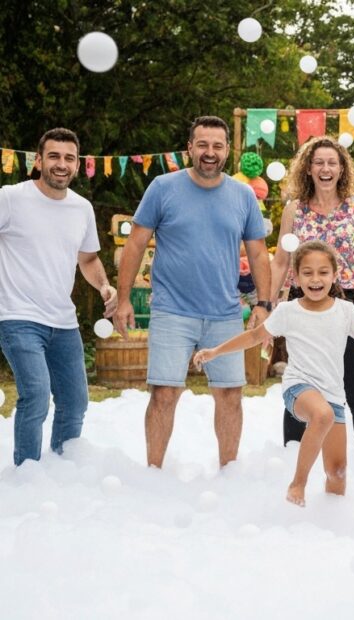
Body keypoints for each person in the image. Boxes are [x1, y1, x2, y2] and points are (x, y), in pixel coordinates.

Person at [114, 115, 271, 468]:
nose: (209, 152)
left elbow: (259, 252)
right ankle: (153, 471)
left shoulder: (243, 195)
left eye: (217, 146)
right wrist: (123, 299)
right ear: (189, 148)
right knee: (164, 393)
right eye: (202, 145)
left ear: (227, 151)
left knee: (230, 394)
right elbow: (136, 243)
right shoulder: (162, 187)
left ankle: (228, 472)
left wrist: (263, 304)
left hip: (226, 313)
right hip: (172, 310)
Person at [194, 241, 354, 506]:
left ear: (334, 276)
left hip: (333, 396)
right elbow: (254, 336)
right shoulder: (288, 311)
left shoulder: (345, 310)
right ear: (296, 278)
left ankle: (329, 522)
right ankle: (298, 484)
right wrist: (215, 351)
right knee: (322, 415)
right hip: (299, 388)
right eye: (307, 273)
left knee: (338, 473)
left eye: (323, 272)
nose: (315, 279)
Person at [0, 128, 117, 464]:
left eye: (69, 158)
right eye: (53, 156)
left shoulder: (81, 208)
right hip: (17, 316)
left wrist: (104, 286)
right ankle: (28, 474)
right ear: (38, 161)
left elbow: (89, 258)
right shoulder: (11, 198)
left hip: (63, 322)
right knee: (35, 395)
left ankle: (62, 471)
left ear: (78, 165)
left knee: (75, 401)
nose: (61, 164)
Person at [270, 136, 354, 444]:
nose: (325, 168)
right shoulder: (295, 210)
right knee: (301, 382)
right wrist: (268, 304)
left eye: (332, 162)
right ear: (307, 169)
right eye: (318, 162)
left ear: (342, 169)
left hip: (347, 300)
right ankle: (292, 455)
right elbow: (280, 262)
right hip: (302, 303)